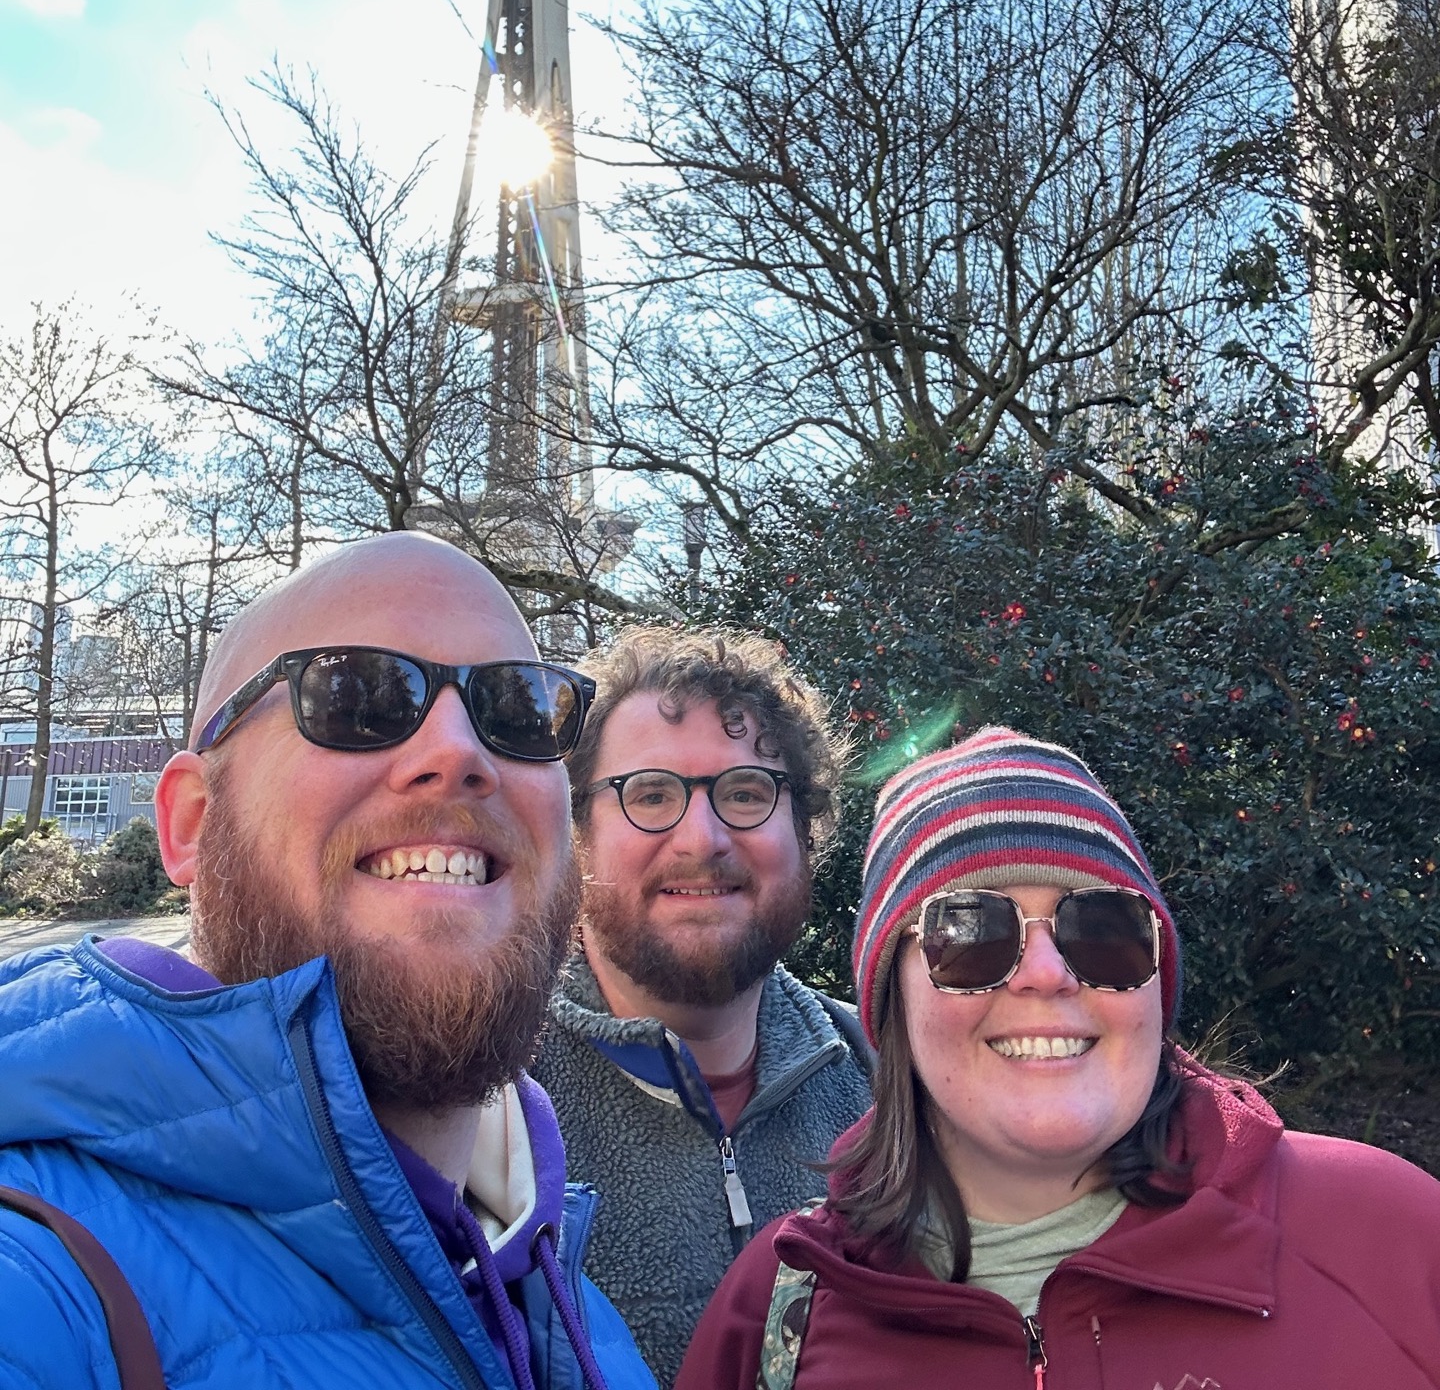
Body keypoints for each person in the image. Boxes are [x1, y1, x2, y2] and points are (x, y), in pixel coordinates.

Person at [0, 533, 656, 1390]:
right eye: (358, 697)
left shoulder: (574, 1315)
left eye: (516, 713)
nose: (461, 753)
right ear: (192, 822)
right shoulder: (39, 1279)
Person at [677, 725, 1440, 1390]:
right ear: (891, 1002)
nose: (1047, 974)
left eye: (1102, 929)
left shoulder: (1391, 1242)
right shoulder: (777, 1310)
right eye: (972, 933)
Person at [531, 628, 873, 1388]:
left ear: (804, 831)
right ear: (575, 832)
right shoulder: (484, 1103)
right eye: (650, 794)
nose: (702, 838)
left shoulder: (885, 1086)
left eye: (746, 793)